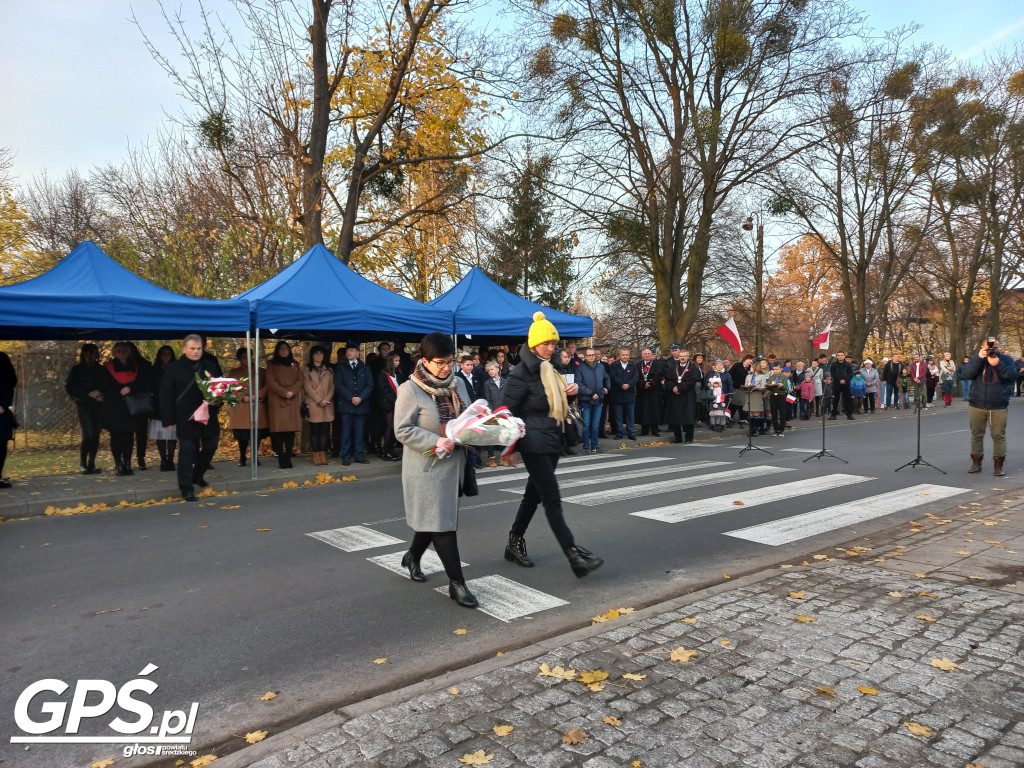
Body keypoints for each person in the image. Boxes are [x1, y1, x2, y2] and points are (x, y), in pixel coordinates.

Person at [501, 312, 603, 578]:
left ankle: (514, 541)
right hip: (532, 441)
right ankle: (573, 555)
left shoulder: (552, 369)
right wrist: (509, 448)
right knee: (552, 498)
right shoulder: (520, 374)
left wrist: (569, 393)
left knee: (534, 495)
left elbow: (556, 406)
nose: (551, 348)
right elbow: (503, 412)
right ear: (534, 344)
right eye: (546, 343)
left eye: (553, 343)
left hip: (553, 438)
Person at [394, 332, 478, 607]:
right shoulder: (411, 389)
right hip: (426, 468)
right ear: (425, 360)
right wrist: (436, 440)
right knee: (442, 525)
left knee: (435, 519)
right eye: (440, 362)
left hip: (455, 465)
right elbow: (402, 430)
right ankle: (457, 584)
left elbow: (468, 417)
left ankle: (412, 556)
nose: (446, 368)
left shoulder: (458, 384)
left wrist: (482, 429)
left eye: (450, 362)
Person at [159, 334, 222, 501]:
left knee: (212, 444)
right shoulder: (174, 368)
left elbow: (220, 388)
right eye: (192, 348)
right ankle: (186, 488)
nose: (196, 352)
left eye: (199, 349)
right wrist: (168, 420)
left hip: (208, 415)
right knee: (188, 451)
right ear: (185, 349)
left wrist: (217, 401)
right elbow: (166, 395)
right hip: (185, 416)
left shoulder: (210, 366)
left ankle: (197, 474)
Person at [962, 336, 1014, 476]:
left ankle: (998, 466)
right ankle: (976, 463)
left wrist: (998, 364)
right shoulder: (975, 358)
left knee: (998, 436)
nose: (992, 350)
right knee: (976, 435)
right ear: (983, 347)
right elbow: (966, 374)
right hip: (977, 404)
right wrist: (979, 358)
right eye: (989, 347)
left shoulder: (1006, 360)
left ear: (999, 347)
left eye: (995, 348)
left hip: (998, 405)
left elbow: (1011, 377)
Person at [99, 341, 145, 476]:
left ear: (129, 352)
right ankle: (118, 463)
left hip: (131, 407)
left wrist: (130, 388)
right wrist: (119, 390)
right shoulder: (107, 367)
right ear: (114, 353)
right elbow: (103, 386)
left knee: (129, 437)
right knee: (116, 437)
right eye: (119, 351)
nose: (122, 353)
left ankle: (127, 463)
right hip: (114, 406)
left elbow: (142, 382)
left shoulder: (135, 366)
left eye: (124, 351)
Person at [65, 343, 104, 474]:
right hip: (84, 404)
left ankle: (91, 462)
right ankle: (83, 462)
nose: (96, 356)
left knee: (96, 433)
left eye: (96, 353)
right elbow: (70, 388)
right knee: (89, 433)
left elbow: (107, 385)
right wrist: (88, 393)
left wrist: (102, 395)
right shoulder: (77, 370)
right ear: (86, 354)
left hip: (98, 405)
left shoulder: (100, 369)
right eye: (93, 353)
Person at [227, 348, 267, 467]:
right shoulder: (234, 372)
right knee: (242, 435)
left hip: (257, 405)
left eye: (249, 356)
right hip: (241, 408)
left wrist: (258, 395)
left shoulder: (261, 371)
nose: (247, 360)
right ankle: (242, 456)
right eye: (244, 357)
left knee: (257, 434)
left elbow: (267, 386)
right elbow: (230, 388)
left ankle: (255, 456)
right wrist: (243, 397)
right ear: (240, 359)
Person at [334, 343, 373, 466]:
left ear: (357, 352)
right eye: (347, 351)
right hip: (346, 404)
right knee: (346, 431)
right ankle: (345, 456)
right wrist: (351, 398)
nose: (349, 353)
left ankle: (358, 455)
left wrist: (361, 397)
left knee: (359, 432)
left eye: (351, 351)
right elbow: (339, 385)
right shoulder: (340, 367)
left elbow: (370, 384)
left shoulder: (365, 368)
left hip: (361, 404)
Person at [266, 340, 302, 468]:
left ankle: (288, 456)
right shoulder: (271, 364)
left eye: (286, 348)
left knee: (290, 431)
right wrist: (284, 392)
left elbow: (300, 380)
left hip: (292, 398)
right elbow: (270, 381)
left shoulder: (295, 364)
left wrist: (292, 392)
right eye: (281, 348)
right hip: (277, 399)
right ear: (277, 350)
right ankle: (281, 457)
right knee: (278, 431)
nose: (284, 350)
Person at [303, 345, 336, 466]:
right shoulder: (307, 369)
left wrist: (326, 399)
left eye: (321, 353)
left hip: (327, 404)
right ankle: (316, 454)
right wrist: (318, 400)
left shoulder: (329, 369)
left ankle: (323, 454)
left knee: (325, 430)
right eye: (316, 353)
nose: (319, 355)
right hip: (313, 403)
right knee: (315, 430)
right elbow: (307, 387)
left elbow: (332, 386)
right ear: (312, 355)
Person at [149, 345, 178, 472]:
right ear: (159, 356)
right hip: (158, 404)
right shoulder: (154, 369)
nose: (166, 356)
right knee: (160, 435)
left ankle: (171, 460)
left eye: (168, 354)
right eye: (163, 354)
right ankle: (163, 460)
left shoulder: (177, 368)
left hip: (173, 405)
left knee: (172, 435)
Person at [576, 347, 610, 455]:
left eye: (593, 355)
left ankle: (595, 446)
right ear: (585, 356)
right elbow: (578, 384)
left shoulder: (600, 367)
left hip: (599, 400)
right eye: (589, 355)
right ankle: (586, 446)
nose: (591, 357)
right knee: (586, 424)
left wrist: (607, 388)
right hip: (586, 400)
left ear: (596, 356)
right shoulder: (580, 368)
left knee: (596, 425)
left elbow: (607, 378)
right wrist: (590, 393)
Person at [125, 342, 153, 470]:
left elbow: (146, 382)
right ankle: (134, 459)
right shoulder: (122, 365)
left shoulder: (143, 365)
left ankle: (139, 458)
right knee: (135, 433)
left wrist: (131, 388)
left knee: (139, 432)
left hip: (138, 402)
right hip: (133, 403)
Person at [665, 348, 702, 443]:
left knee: (688, 417)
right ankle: (678, 438)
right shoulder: (673, 367)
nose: (682, 358)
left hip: (687, 396)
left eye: (684, 356)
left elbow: (692, 381)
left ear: (688, 357)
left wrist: (680, 388)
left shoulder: (693, 368)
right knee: (675, 417)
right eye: (681, 356)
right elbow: (667, 380)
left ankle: (689, 438)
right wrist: (673, 388)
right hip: (675, 396)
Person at [376, 352, 405, 463]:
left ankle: (391, 450)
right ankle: (386, 451)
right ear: (390, 362)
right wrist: (396, 401)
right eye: (396, 361)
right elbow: (384, 391)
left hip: (398, 404)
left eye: (398, 361)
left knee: (395, 428)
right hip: (388, 405)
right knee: (390, 427)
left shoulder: (399, 373)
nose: (398, 363)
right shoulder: (383, 375)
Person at [607, 347, 639, 440]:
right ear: (619, 356)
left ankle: (631, 433)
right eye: (623, 355)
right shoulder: (613, 365)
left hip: (630, 393)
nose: (625, 356)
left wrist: (628, 384)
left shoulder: (633, 365)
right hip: (618, 393)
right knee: (618, 415)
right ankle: (619, 433)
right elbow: (613, 377)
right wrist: (621, 384)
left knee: (630, 415)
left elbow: (636, 377)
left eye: (627, 355)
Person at [636, 348, 663, 436]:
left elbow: (658, 376)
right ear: (642, 355)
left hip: (653, 391)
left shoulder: (657, 364)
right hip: (642, 391)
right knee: (644, 410)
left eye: (649, 354)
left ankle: (655, 430)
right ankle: (644, 430)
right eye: (645, 354)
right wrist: (643, 384)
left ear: (651, 355)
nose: (647, 355)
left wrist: (651, 383)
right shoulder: (638, 365)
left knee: (654, 410)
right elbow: (636, 377)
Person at [0, 352, 16, 487]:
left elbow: (10, 383)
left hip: (1, 410)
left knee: (2, 443)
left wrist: (3, 405)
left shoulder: (2, 359)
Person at [745, 358, 770, 436]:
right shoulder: (748, 376)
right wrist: (746, 387)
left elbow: (764, 386)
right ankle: (751, 430)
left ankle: (757, 429)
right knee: (751, 413)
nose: (751, 369)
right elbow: (746, 384)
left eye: (752, 367)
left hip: (757, 395)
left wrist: (757, 388)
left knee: (756, 413)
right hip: (750, 395)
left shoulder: (762, 376)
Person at [765, 362, 791, 436]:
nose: (775, 371)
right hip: (773, 395)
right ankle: (776, 429)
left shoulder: (784, 377)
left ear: (781, 369)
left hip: (781, 395)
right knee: (774, 413)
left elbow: (785, 388)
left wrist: (781, 386)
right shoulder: (771, 377)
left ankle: (781, 429)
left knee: (782, 413)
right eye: (774, 369)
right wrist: (768, 386)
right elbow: (769, 386)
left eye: (777, 369)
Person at [705, 360, 732, 432]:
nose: (719, 366)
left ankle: (722, 424)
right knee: (713, 410)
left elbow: (730, 384)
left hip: (723, 394)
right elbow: (706, 382)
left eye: (721, 365)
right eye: (717, 365)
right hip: (713, 394)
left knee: (721, 410)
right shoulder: (711, 373)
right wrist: (710, 386)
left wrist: (730, 395)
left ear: (723, 366)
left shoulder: (726, 374)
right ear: (715, 366)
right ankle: (713, 424)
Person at [829, 351, 854, 420]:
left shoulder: (848, 365)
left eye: (841, 355)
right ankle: (833, 415)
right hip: (837, 384)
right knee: (835, 400)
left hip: (846, 384)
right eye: (838, 355)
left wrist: (845, 380)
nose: (840, 356)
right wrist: (839, 380)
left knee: (847, 400)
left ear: (844, 356)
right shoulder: (834, 364)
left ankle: (849, 414)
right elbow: (833, 374)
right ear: (837, 356)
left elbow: (850, 374)